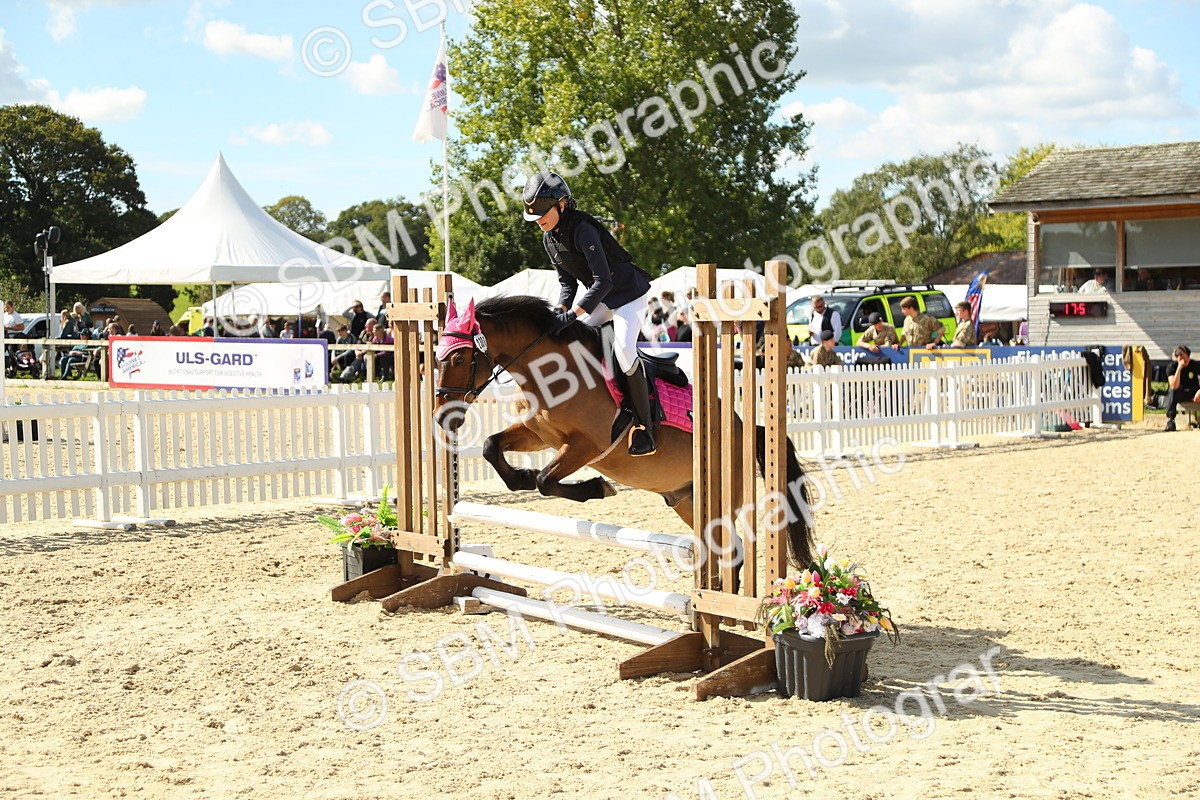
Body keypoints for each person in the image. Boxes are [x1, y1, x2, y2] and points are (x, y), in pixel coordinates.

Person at [523, 170, 658, 456]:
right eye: (535, 217)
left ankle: (645, 428)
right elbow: (567, 283)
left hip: (628, 295)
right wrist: (559, 311)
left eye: (543, 214)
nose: (539, 221)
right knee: (573, 340)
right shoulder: (549, 238)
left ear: (561, 205)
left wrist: (572, 315)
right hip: (602, 299)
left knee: (623, 351)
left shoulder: (583, 228)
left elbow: (603, 281)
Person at [1164, 345, 1200, 432]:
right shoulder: (1171, 367)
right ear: (1178, 358)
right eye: (1183, 358)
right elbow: (1174, 386)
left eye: (1187, 357)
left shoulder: (1195, 365)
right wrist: (1179, 368)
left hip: (1194, 392)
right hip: (1181, 392)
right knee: (1172, 392)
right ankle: (1171, 420)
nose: (1186, 360)